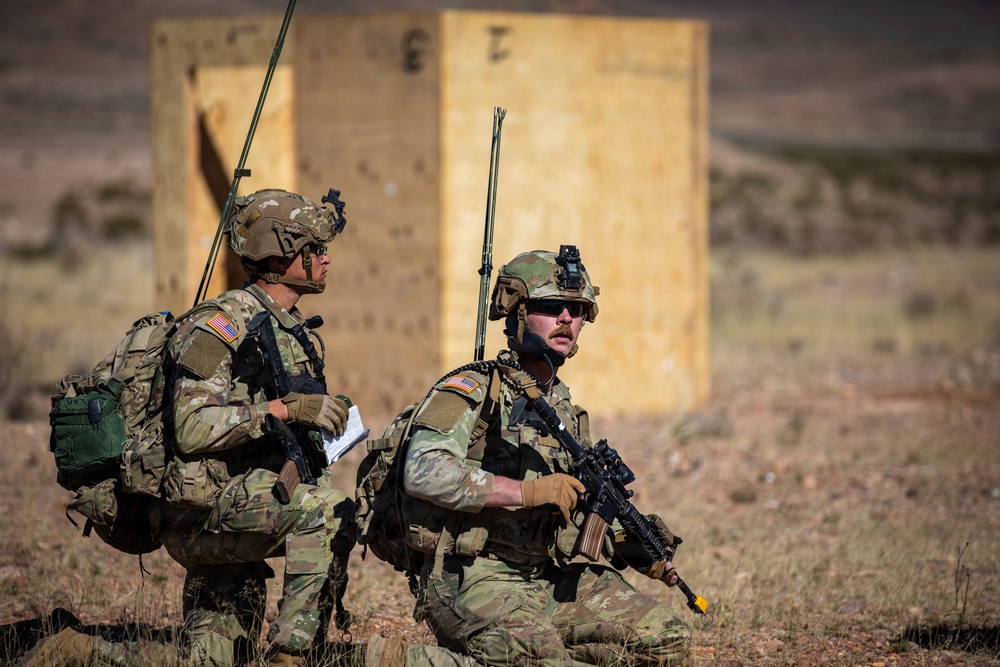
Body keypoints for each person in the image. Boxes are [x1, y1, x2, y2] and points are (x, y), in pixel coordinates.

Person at [19, 189, 358, 667]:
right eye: (315, 248)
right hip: (198, 510)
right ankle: (294, 653)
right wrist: (283, 410)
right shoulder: (219, 326)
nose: (326, 258)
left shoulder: (287, 326)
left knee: (211, 660)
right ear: (280, 255)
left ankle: (79, 650)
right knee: (329, 512)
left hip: (236, 500)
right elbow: (193, 427)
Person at [393, 246, 692, 666]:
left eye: (577, 310)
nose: (566, 319)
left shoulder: (565, 408)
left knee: (669, 638)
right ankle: (383, 658)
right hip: (474, 574)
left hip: (548, 577)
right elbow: (422, 471)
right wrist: (528, 492)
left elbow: (577, 511)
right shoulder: (475, 389)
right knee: (537, 657)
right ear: (518, 312)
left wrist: (626, 544)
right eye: (551, 307)